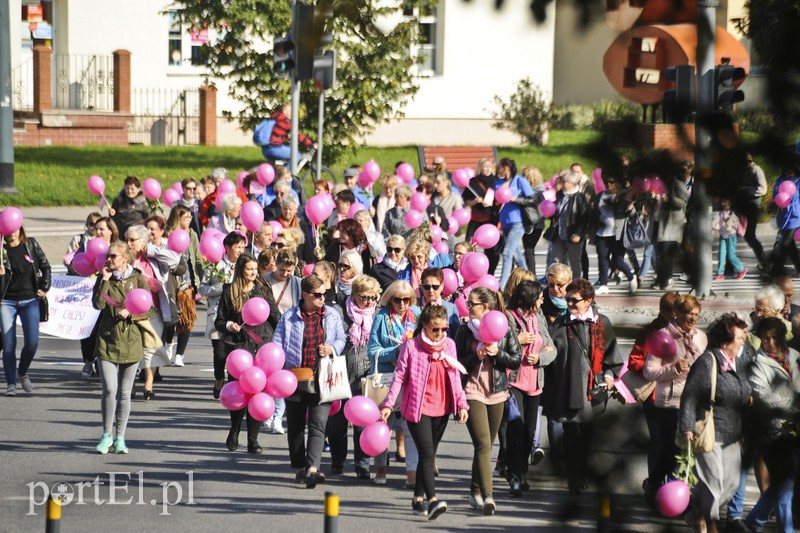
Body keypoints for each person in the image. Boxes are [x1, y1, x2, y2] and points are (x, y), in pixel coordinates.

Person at [380, 304, 469, 521]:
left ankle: (417, 498)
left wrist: (462, 404)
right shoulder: (411, 346)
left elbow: (455, 376)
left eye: (444, 329)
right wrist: (388, 404)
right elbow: (399, 377)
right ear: (425, 327)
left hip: (442, 408)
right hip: (417, 409)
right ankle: (432, 500)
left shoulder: (449, 345)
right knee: (427, 454)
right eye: (435, 329)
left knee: (427, 457)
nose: (440, 333)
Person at [544, 278, 623, 495]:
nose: (569, 304)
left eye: (574, 300)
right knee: (571, 435)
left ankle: (581, 472)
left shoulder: (602, 323)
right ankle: (573, 478)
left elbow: (611, 356)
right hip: (568, 390)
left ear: (588, 301)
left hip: (593, 393)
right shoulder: (559, 325)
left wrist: (608, 377)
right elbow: (549, 357)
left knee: (587, 437)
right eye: (567, 300)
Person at [272, 274, 346, 489]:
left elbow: (342, 338)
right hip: (295, 377)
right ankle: (299, 466)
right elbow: (277, 343)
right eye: (317, 295)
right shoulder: (289, 317)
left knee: (318, 425)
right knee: (295, 426)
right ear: (305, 294)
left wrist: (332, 348)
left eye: (324, 294)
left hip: (323, 376)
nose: (322, 298)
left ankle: (313, 469)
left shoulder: (331, 315)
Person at [679, 314, 751, 532]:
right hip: (708, 431)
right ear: (726, 340)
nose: (743, 342)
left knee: (729, 485)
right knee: (713, 486)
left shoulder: (741, 361)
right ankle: (712, 527)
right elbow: (689, 395)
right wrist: (687, 426)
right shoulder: (708, 362)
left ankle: (695, 513)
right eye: (740, 338)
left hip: (733, 434)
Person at [454, 287, 521, 515]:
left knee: (485, 446)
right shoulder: (464, 330)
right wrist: (477, 356)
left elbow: (516, 360)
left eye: (472, 303)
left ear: (485, 307)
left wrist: (496, 354)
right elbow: (456, 363)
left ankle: (474, 490)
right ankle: (488, 497)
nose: (468, 306)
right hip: (473, 390)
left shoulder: (504, 328)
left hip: (497, 392)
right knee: (483, 444)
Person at [215, 254, 280, 454]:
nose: (253, 273)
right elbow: (219, 320)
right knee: (240, 392)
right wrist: (229, 325)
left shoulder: (263, 289)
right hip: (239, 349)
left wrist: (268, 311)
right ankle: (234, 430)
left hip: (262, 347)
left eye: (255, 269)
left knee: (258, 394)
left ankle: (253, 440)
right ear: (241, 269)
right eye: (249, 269)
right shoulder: (229, 291)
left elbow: (276, 316)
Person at [642, 295, 707, 493]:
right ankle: (653, 485)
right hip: (670, 402)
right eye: (689, 314)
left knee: (688, 451)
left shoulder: (701, 338)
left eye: (696, 314)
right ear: (677, 314)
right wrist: (674, 369)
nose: (693, 318)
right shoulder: (662, 336)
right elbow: (649, 372)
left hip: (694, 402)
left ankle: (676, 491)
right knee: (670, 451)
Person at [91, 242, 151, 454]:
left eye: (114, 256)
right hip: (107, 341)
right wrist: (104, 280)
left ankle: (120, 438)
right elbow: (97, 304)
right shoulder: (104, 278)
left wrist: (132, 313)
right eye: (108, 255)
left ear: (125, 258)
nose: (109, 259)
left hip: (131, 342)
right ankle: (106, 435)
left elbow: (149, 309)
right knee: (109, 389)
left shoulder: (137, 279)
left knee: (125, 393)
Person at [744, 317, 800, 533]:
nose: (770, 342)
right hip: (772, 431)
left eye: (774, 337)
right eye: (765, 339)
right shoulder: (757, 364)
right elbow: (764, 398)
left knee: (783, 481)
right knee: (785, 485)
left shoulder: (795, 357)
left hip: (795, 428)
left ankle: (754, 521)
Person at [628, 291, 680, 505]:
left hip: (678, 396)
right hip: (654, 397)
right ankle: (654, 485)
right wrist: (661, 368)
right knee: (658, 443)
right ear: (663, 311)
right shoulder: (650, 331)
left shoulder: (685, 333)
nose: (675, 318)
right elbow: (634, 362)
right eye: (672, 313)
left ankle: (671, 487)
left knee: (676, 444)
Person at [504, 280, 556, 495]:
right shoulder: (508, 317)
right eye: (540, 296)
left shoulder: (539, 317)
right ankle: (514, 475)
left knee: (529, 432)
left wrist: (540, 357)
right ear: (529, 298)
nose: (543, 300)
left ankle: (521, 471)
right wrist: (519, 338)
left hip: (535, 382)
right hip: (514, 381)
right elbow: (498, 345)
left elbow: (551, 348)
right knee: (516, 428)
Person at [327, 274, 380, 479]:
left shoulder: (377, 315)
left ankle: (362, 464)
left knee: (363, 422)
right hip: (340, 371)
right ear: (354, 294)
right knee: (337, 422)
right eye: (364, 297)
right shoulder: (340, 312)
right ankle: (337, 461)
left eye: (372, 297)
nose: (368, 302)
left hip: (366, 375)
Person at [368, 280, 420, 486]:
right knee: (382, 425)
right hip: (386, 378)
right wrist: (394, 352)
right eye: (397, 300)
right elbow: (372, 350)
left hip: (409, 379)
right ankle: (381, 468)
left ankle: (412, 473)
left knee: (410, 427)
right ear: (390, 299)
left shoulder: (415, 315)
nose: (402, 304)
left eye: (406, 299)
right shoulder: (381, 317)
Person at [125, 224, 182, 400]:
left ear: (143, 241)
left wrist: (149, 249)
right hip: (129, 312)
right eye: (127, 239)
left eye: (132, 240)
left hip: (153, 311)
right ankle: (131, 383)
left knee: (151, 347)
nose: (128, 243)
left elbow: (175, 260)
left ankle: (148, 384)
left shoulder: (154, 256)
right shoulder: (124, 258)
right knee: (131, 349)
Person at [0, 225, 51, 396]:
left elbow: (45, 267)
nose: (11, 233)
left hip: (30, 300)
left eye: (14, 229)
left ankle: (22, 372)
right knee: (8, 344)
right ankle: (11, 383)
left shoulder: (31, 244)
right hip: (6, 302)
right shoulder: (1, 251)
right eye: (7, 230)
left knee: (32, 342)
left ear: (20, 229)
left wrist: (44, 287)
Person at [199, 232, 246, 399]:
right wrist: (222, 287)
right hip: (218, 315)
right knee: (220, 353)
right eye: (237, 246)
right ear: (227, 248)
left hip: (239, 315)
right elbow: (202, 289)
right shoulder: (214, 266)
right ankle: (219, 378)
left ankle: (235, 384)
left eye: (242, 246)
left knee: (237, 352)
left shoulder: (245, 266)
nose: (241, 250)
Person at [165, 206, 201, 368]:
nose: (189, 220)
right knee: (171, 320)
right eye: (186, 217)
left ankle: (180, 354)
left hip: (188, 283)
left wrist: (199, 279)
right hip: (170, 282)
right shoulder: (168, 234)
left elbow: (197, 258)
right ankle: (169, 343)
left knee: (187, 320)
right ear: (177, 218)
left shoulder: (192, 235)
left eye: (190, 217)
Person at [495, 158, 535, 289]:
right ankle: (530, 281)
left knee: (507, 253)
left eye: (499, 167)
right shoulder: (498, 183)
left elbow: (531, 199)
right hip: (504, 222)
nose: (498, 170)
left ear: (506, 168)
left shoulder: (519, 181)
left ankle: (501, 286)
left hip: (517, 222)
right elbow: (496, 199)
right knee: (517, 256)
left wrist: (515, 199)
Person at [594, 176, 637, 295]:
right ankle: (603, 285)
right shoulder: (600, 195)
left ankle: (631, 277)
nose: (608, 184)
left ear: (616, 183)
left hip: (618, 233)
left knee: (617, 260)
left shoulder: (623, 196)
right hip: (601, 233)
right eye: (606, 182)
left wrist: (631, 209)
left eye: (611, 182)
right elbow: (594, 213)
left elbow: (632, 213)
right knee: (602, 259)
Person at [547, 170, 590, 279]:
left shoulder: (579, 198)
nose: (561, 183)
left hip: (572, 235)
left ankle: (576, 284)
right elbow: (555, 212)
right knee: (555, 261)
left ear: (571, 183)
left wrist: (578, 233)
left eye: (564, 181)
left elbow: (584, 218)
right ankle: (558, 283)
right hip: (559, 234)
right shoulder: (560, 195)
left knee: (574, 261)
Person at [462, 158, 501, 274]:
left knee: (491, 249)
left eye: (489, 166)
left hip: (491, 219)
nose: (487, 169)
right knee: (468, 245)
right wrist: (475, 201)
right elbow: (466, 202)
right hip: (476, 218)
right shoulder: (473, 182)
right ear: (480, 167)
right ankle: (467, 270)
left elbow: (502, 200)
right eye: (485, 166)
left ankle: (490, 272)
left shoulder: (496, 181)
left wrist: (493, 202)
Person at [654, 171, 690, 290]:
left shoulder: (678, 185)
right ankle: (662, 278)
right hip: (661, 222)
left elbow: (682, 203)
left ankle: (668, 278)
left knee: (667, 253)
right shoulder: (660, 185)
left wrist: (668, 198)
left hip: (673, 224)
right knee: (661, 253)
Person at [735, 153, 767, 268]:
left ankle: (764, 261)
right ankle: (729, 266)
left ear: (749, 161)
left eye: (746, 162)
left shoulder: (756, 170)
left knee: (749, 235)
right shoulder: (740, 171)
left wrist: (744, 190)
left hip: (752, 205)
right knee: (732, 234)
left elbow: (763, 189)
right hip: (740, 205)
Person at [712, 196, 747, 280]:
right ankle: (720, 273)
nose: (724, 205)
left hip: (731, 236)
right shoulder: (720, 213)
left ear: (730, 205)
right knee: (721, 254)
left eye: (726, 204)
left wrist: (729, 221)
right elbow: (717, 222)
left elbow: (736, 224)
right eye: (723, 203)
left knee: (731, 256)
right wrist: (715, 224)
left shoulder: (733, 213)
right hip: (723, 235)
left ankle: (742, 269)